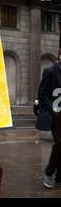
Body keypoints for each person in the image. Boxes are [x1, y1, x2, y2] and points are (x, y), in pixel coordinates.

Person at [36, 48, 61, 189]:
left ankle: (59, 177)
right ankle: (49, 173)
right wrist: (53, 107)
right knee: (59, 143)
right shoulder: (50, 71)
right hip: (56, 113)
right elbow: (42, 93)